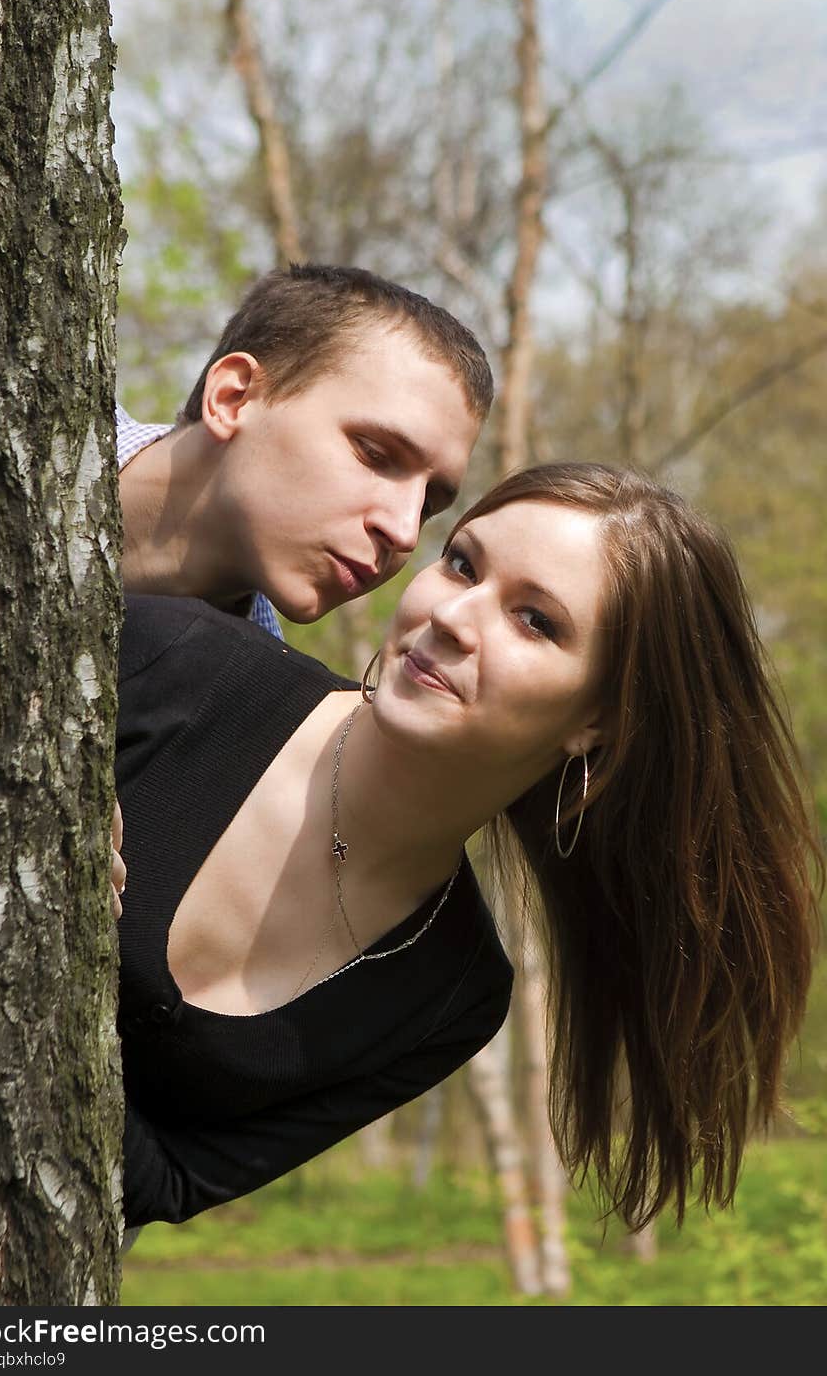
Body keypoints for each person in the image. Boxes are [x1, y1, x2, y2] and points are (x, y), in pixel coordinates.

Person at [114, 462, 821, 1233]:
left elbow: (168, 1183)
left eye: (535, 620)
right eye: (460, 564)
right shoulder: (168, 660)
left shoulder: (449, 997)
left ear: (600, 722)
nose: (453, 617)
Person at [116, 263, 493, 630]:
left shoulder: (254, 690)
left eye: (428, 506)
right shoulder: (56, 418)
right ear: (233, 397)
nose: (404, 533)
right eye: (374, 454)